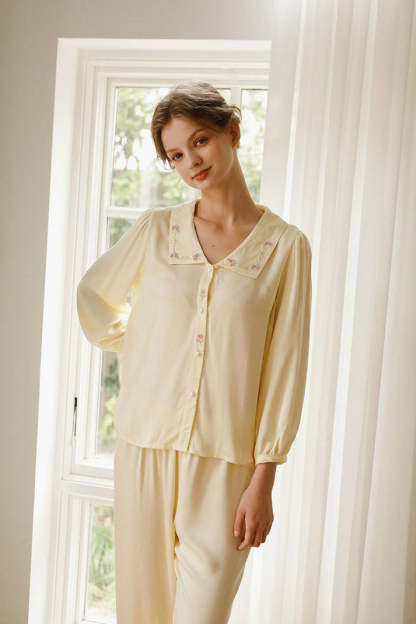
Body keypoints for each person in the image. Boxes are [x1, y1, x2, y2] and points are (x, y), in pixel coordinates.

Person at [77, 80, 312, 624]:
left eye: (200, 141)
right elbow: (94, 297)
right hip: (145, 449)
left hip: (226, 464)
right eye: (176, 155)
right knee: (142, 613)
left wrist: (264, 478)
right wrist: (144, 346)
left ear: (233, 131)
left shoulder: (285, 248)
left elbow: (285, 367)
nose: (191, 162)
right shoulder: (156, 231)